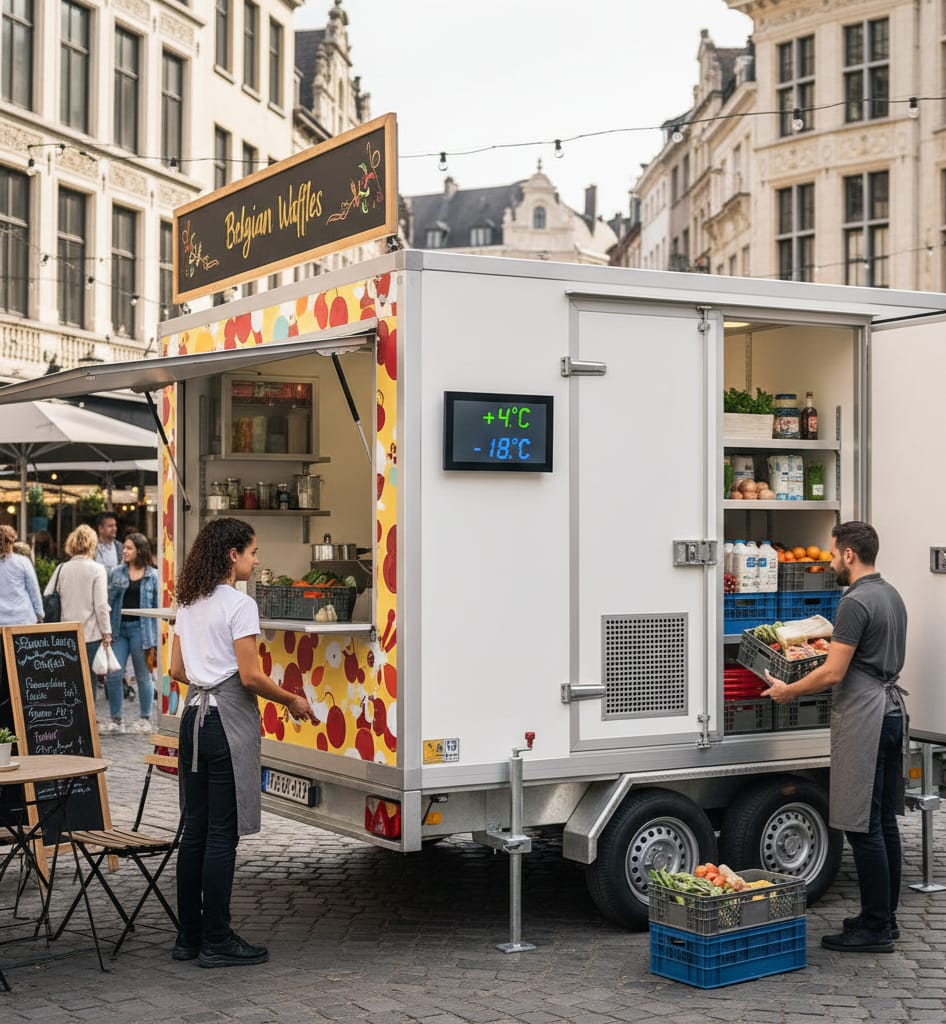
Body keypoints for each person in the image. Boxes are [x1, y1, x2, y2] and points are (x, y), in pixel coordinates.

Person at [169, 517, 316, 968]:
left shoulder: (189, 602)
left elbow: (176, 671)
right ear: (232, 555)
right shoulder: (239, 604)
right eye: (253, 552)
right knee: (220, 835)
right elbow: (251, 676)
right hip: (224, 725)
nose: (257, 559)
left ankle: (188, 938)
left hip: (192, 718)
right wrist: (292, 699)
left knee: (193, 831)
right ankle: (217, 940)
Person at [763, 521, 907, 954]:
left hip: (865, 714)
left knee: (860, 828)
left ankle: (875, 929)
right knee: (882, 821)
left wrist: (788, 690)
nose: (828, 561)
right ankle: (884, 918)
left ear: (849, 554)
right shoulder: (891, 595)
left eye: (831, 553)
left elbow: (833, 671)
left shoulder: (856, 601)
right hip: (892, 710)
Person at [104, 533, 158, 734]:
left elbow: (157, 607)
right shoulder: (116, 573)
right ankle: (116, 719)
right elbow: (109, 602)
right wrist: (106, 630)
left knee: (143, 675)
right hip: (118, 630)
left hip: (141, 630)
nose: (124, 551)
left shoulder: (153, 576)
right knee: (114, 674)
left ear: (140, 551)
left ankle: (145, 718)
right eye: (124, 548)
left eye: (129, 548)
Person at [45, 524, 112, 680]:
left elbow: (48, 595)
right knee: (89, 682)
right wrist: (106, 632)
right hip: (90, 634)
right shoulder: (97, 569)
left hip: (64, 633)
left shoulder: (62, 568)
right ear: (92, 544)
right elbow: (101, 605)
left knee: (68, 680)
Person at [0, 525, 43, 626]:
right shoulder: (23, 562)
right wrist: (40, 614)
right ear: (12, 542)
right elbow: (33, 590)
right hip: (22, 620)